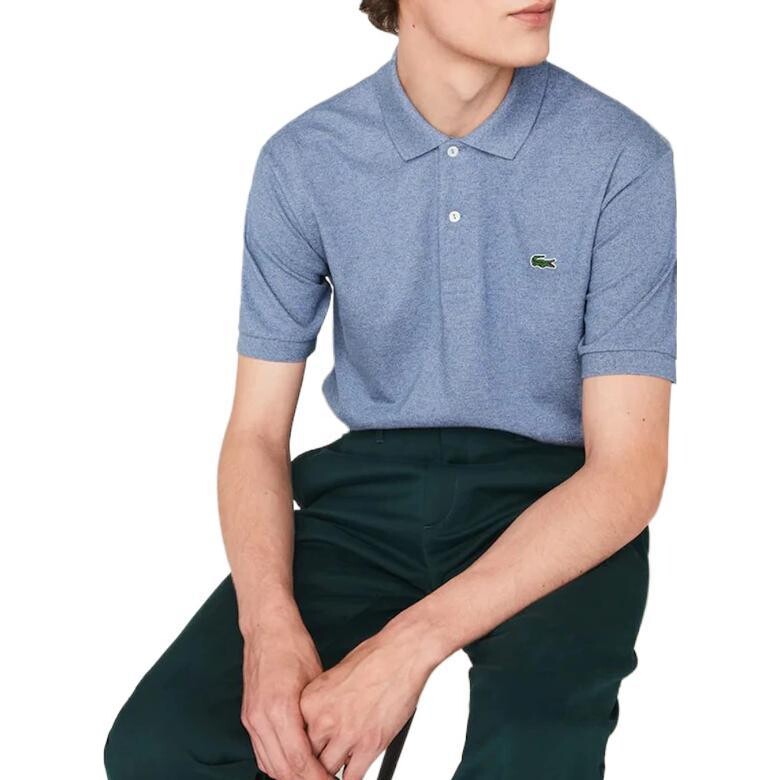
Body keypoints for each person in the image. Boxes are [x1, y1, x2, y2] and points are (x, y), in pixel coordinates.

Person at [104, 1, 676, 778]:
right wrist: (267, 628)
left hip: (555, 505)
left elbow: (629, 470)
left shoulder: (621, 156)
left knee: (530, 754)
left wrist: (405, 651)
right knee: (161, 747)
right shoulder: (306, 160)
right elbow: (256, 433)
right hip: (368, 499)